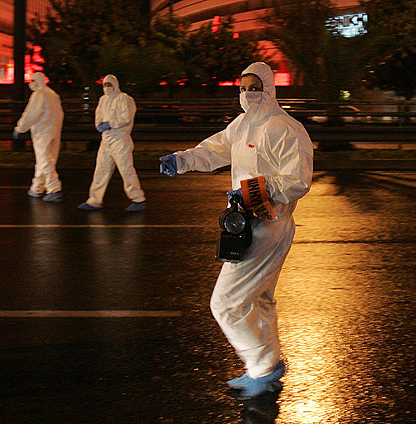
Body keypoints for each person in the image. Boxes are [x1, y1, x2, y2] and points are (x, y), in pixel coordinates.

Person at [159, 62, 313, 398]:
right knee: (259, 298)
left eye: (254, 88)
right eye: (242, 88)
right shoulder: (242, 125)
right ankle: (266, 363)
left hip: (269, 225)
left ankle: (262, 369)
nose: (247, 94)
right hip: (248, 222)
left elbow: (298, 180)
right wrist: (182, 160)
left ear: (268, 88)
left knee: (225, 303)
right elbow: (214, 149)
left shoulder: (284, 128)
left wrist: (255, 190)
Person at [78, 74, 146, 212]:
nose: (107, 87)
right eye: (105, 84)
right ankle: (94, 200)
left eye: (109, 84)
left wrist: (111, 123)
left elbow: (126, 117)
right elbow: (98, 116)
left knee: (126, 170)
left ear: (115, 85)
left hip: (120, 139)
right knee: (101, 170)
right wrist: (99, 125)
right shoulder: (103, 100)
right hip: (106, 139)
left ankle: (138, 199)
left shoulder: (124, 99)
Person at [13, 72, 64, 202]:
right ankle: (37, 187)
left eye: (33, 81)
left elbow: (31, 114)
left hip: (42, 132)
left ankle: (54, 188)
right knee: (45, 160)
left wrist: (20, 128)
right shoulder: (53, 94)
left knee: (44, 160)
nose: (31, 84)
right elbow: (60, 114)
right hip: (54, 131)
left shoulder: (39, 94)